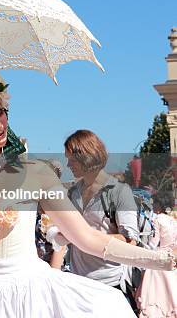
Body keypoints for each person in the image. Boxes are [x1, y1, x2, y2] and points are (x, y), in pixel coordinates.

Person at [0, 76, 175, 317]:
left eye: (0, 112)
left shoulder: (36, 173)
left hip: (29, 296)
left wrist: (161, 259)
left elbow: (87, 238)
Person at [65, 130, 140, 309]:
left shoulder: (119, 191)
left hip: (110, 284)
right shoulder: (72, 192)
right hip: (78, 285)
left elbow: (131, 241)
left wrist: (86, 237)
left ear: (87, 156)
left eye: (72, 159)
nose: (68, 164)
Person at [136, 191, 176, 317]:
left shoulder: (157, 219)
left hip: (160, 259)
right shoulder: (174, 220)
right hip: (173, 258)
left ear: (159, 204)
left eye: (154, 203)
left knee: (156, 295)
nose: (153, 206)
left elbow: (153, 242)